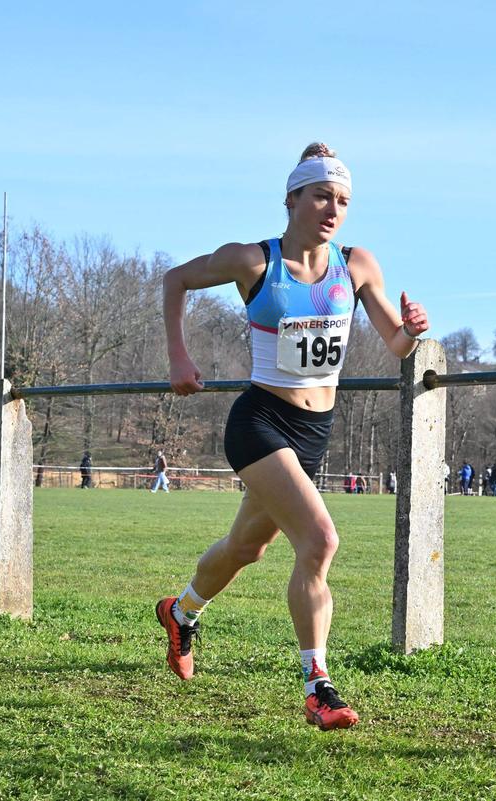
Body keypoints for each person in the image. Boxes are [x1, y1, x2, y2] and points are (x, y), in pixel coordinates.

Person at [155, 143, 430, 731]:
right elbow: (176, 279)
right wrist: (180, 356)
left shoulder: (356, 265)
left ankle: (180, 612)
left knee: (246, 550)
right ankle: (318, 687)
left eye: (344, 201)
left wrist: (410, 331)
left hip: (313, 432)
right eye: (322, 197)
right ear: (292, 199)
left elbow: (396, 345)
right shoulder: (253, 261)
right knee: (321, 539)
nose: (334, 210)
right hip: (259, 422)